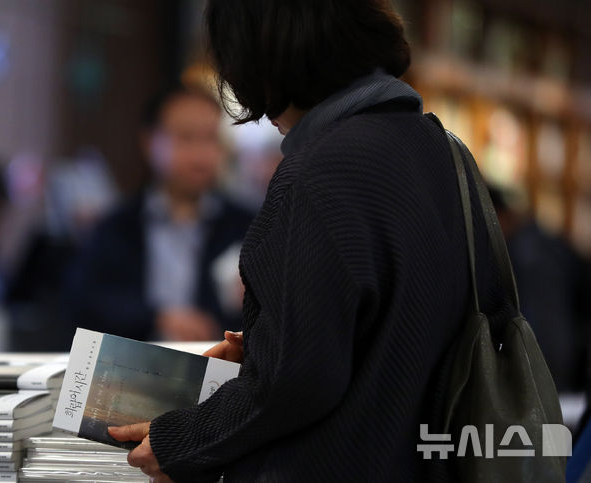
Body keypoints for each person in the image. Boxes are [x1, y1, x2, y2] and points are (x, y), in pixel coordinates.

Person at [107, 1, 517, 482]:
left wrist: (179, 441)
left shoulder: (319, 172)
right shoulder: (442, 151)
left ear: (264, 56)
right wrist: (273, 339)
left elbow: (297, 381)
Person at [64, 84, 254, 343]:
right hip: (129, 367)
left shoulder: (248, 226)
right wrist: (157, 317)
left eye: (210, 138)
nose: (201, 154)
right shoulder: (116, 226)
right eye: (186, 137)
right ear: (149, 141)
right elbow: (86, 302)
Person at [489, 186, 591, 392]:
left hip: (551, 387)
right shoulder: (539, 244)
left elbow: (550, 334)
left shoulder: (530, 256)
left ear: (498, 216)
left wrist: (545, 392)